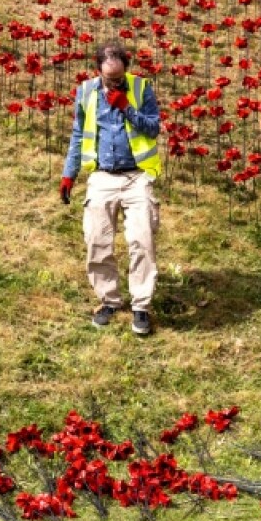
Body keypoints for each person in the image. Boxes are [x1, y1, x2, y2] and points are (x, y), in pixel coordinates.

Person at [60, 41, 162, 335]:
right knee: (97, 240)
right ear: (98, 71)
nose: (115, 83)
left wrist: (127, 108)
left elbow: (153, 128)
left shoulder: (141, 89)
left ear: (126, 71)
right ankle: (109, 300)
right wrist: (70, 173)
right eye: (109, 79)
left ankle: (141, 306)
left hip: (136, 176)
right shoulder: (87, 92)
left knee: (142, 240)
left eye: (119, 78)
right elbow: (79, 135)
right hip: (103, 177)